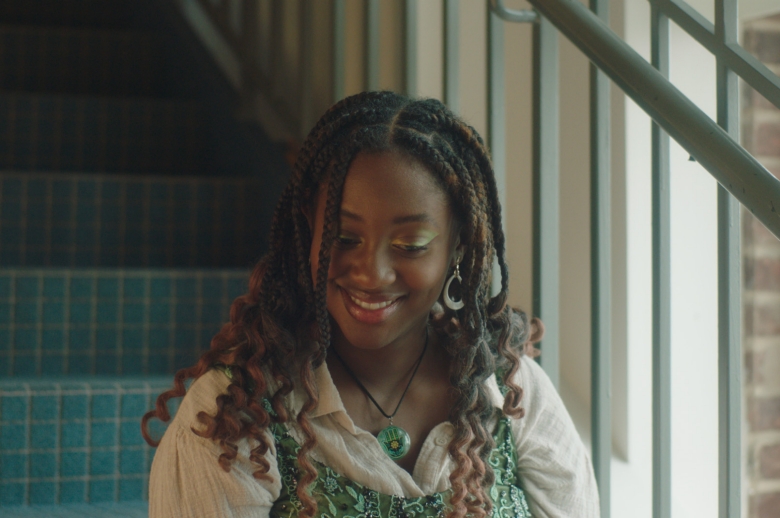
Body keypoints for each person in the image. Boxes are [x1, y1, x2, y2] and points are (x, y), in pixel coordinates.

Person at [143, 91, 599, 517]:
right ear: (309, 231)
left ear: (458, 247)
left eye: (411, 244)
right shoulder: (236, 414)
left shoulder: (513, 393)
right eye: (344, 237)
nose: (372, 273)